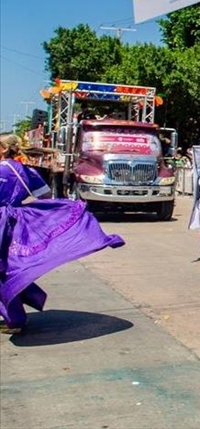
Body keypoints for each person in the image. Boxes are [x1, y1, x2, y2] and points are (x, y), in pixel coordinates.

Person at [0, 133, 124, 334]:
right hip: (14, 224)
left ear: (4, 149)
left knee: (5, 269)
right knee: (9, 267)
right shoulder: (27, 171)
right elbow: (46, 196)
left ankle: (15, 318)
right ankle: (15, 314)